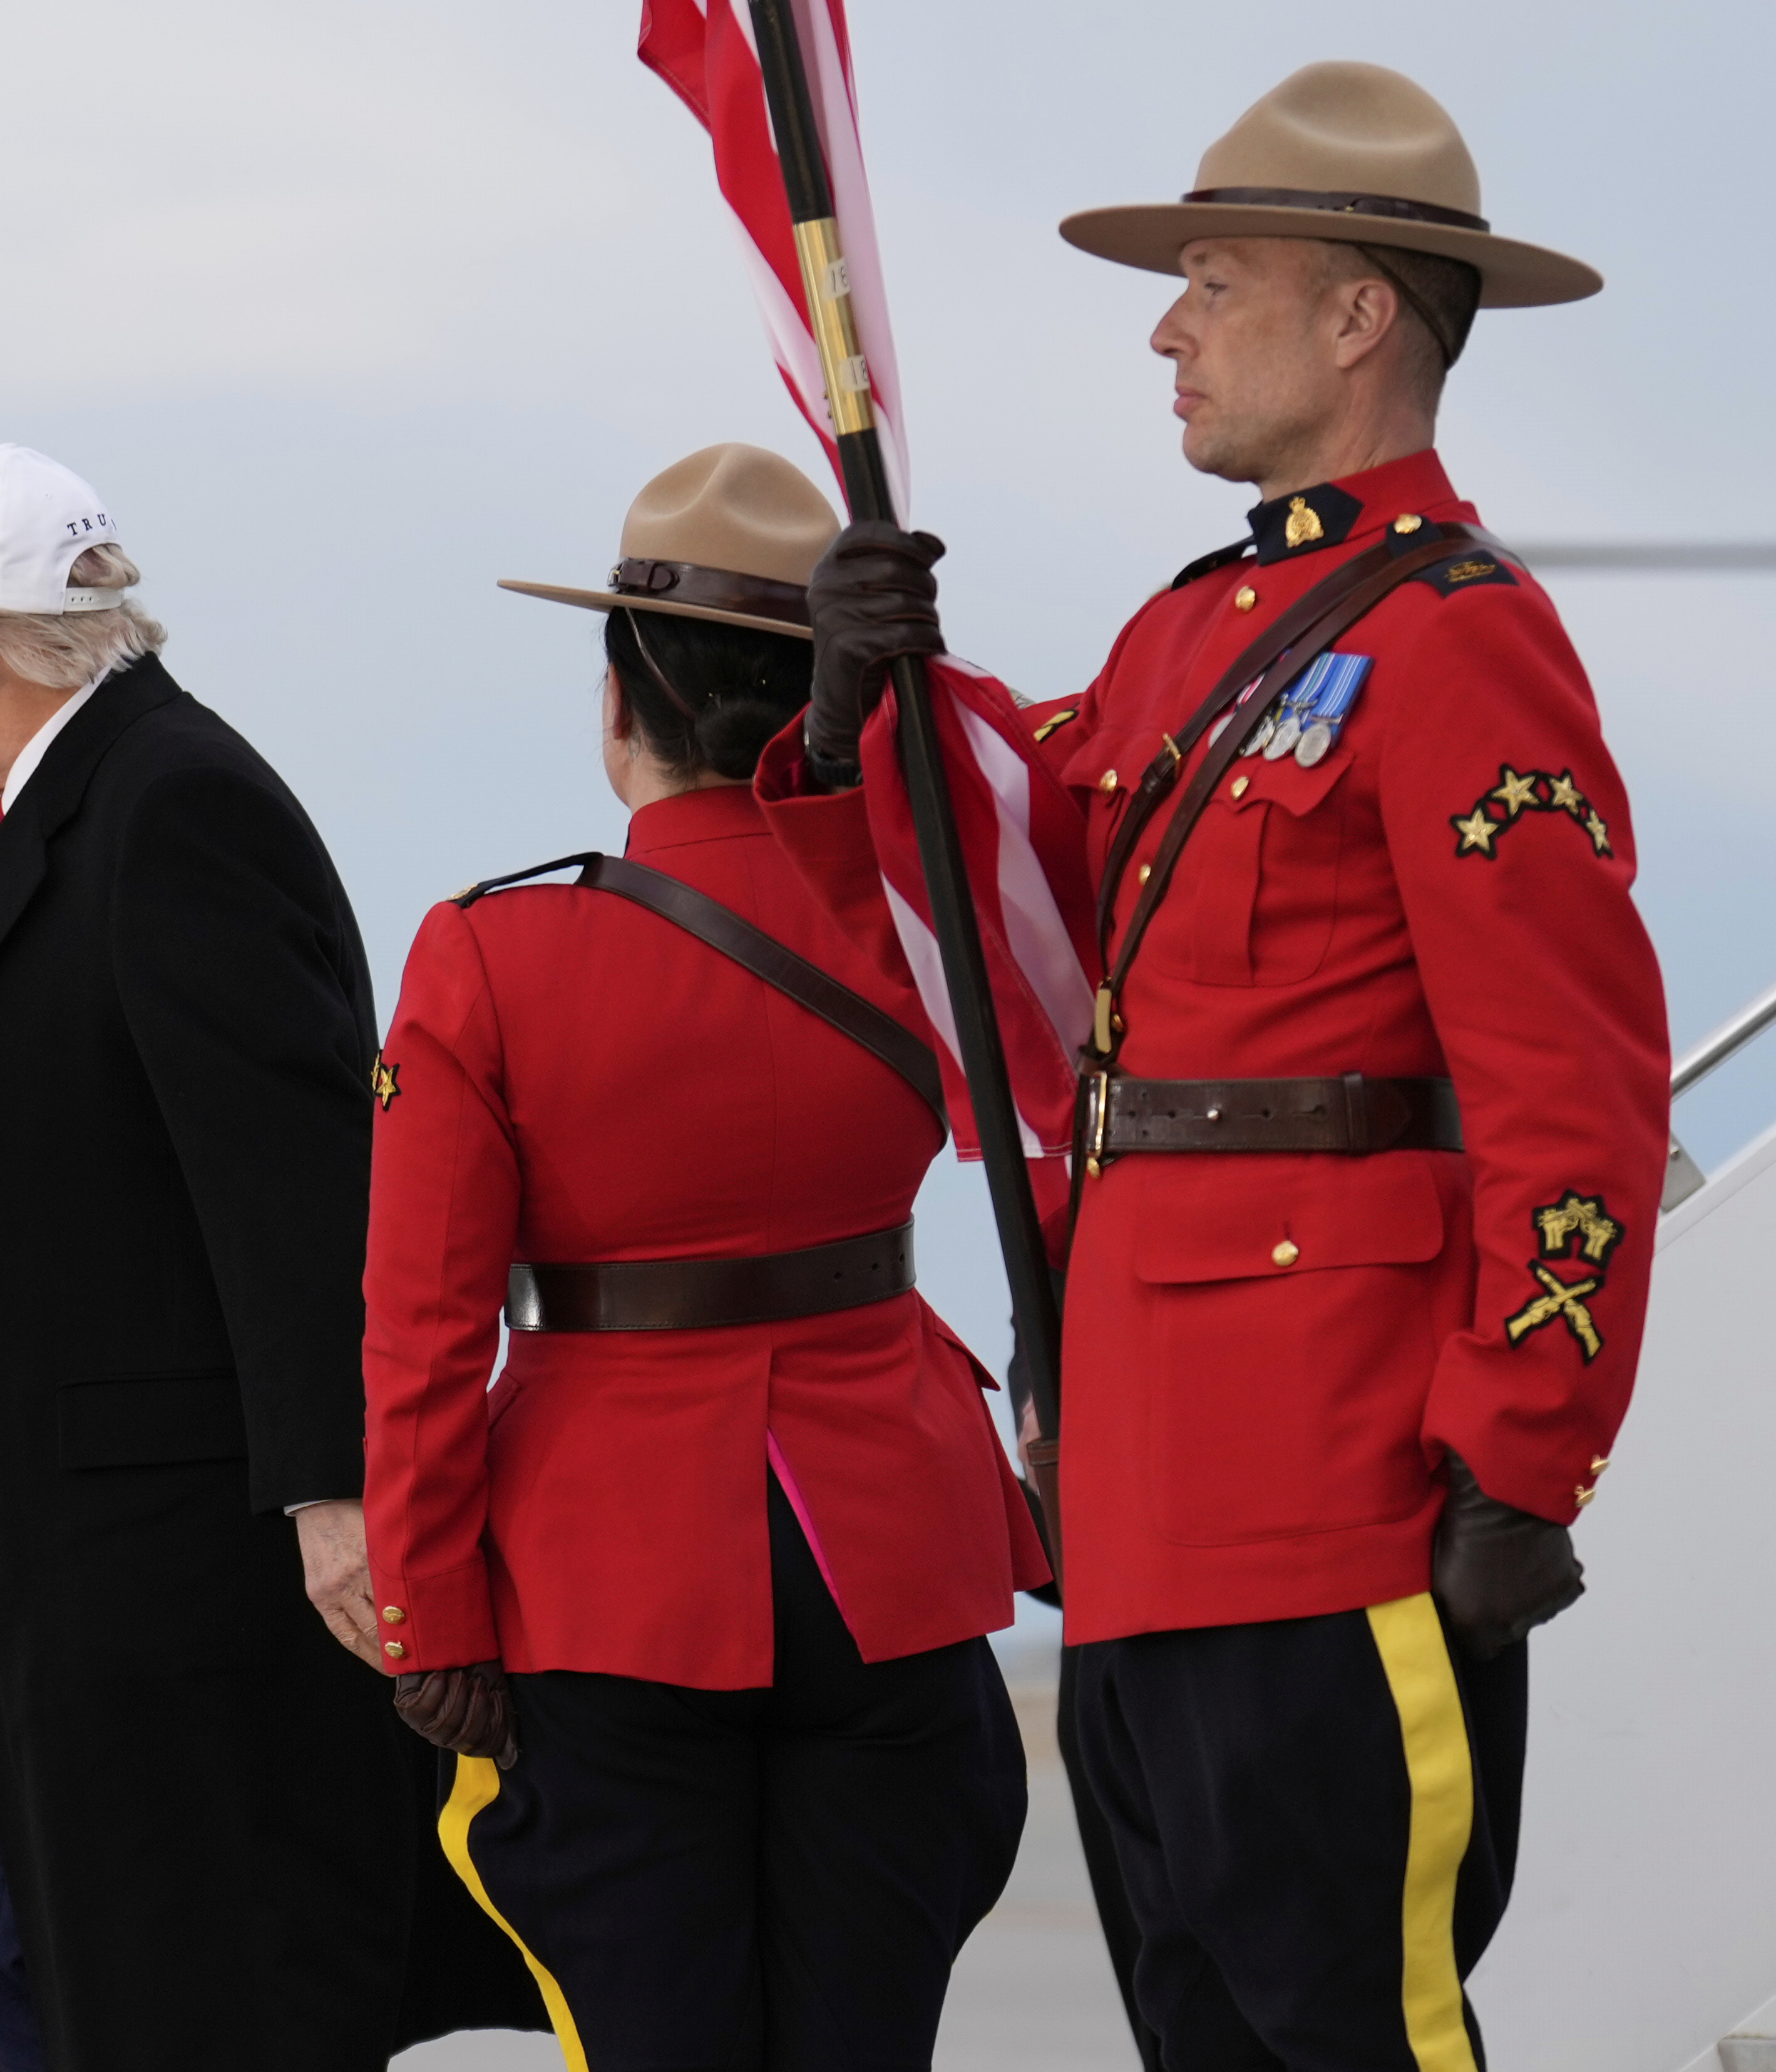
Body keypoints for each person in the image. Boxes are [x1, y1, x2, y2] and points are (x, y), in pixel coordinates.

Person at [777, 62, 1669, 2067]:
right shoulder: (1189, 635)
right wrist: (855, 713)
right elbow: (1027, 870)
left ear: (1355, 315)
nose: (1165, 331)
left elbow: (1574, 1086)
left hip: (1337, 1481)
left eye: (1211, 283)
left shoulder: (1460, 638)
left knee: (1352, 2030)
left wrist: (1522, 1443)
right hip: (1138, 1487)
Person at [0, 443, 540, 2072]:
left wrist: (336, 1486)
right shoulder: (75, 802)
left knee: (192, 1984)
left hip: (168, 1568)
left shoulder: (171, 802)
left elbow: (295, 1175)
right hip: (52, 1561)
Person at [361, 444, 1050, 2071]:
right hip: (890, 1543)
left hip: (612, 1573)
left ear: (620, 699)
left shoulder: (492, 949)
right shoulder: (919, 920)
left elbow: (422, 1322)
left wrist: (425, 1607)